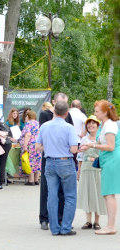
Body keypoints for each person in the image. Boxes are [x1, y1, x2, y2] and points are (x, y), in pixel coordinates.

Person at [36, 101, 79, 236]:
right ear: (66, 113)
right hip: (65, 162)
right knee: (70, 195)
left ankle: (54, 228)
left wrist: (49, 148)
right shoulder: (69, 128)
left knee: (52, 195)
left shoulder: (44, 126)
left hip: (49, 162)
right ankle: (65, 227)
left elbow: (38, 146)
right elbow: (73, 149)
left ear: (53, 112)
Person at [80, 100, 120, 235]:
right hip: (107, 161)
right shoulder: (105, 125)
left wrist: (92, 146)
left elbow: (110, 146)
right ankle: (110, 225)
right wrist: (88, 145)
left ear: (104, 112)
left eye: (97, 111)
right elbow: (100, 141)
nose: (95, 114)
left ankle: (111, 226)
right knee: (107, 194)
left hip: (111, 161)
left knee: (109, 194)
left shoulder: (109, 126)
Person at [76, 115, 106, 231]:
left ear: (98, 125)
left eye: (93, 123)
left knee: (98, 195)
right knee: (87, 193)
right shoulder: (84, 139)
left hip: (98, 170)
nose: (91, 125)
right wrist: (79, 171)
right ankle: (88, 220)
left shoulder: (101, 139)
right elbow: (80, 156)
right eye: (89, 123)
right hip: (86, 170)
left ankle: (97, 222)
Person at [20, 110, 42, 186]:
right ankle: (36, 180)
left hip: (31, 145)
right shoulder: (37, 123)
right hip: (38, 144)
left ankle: (31, 180)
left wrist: (25, 146)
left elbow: (28, 135)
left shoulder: (28, 124)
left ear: (28, 116)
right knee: (38, 162)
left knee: (31, 162)